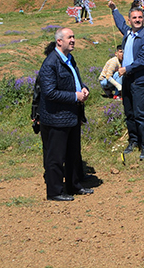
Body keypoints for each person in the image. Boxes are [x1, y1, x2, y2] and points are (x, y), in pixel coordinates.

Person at [38, 27, 91, 201]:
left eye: (74, 37)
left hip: (71, 115)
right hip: (55, 118)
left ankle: (74, 185)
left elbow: (75, 80)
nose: (73, 40)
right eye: (69, 37)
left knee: (73, 154)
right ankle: (54, 191)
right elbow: (49, 93)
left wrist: (83, 89)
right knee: (56, 157)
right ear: (59, 41)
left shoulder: (69, 59)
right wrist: (74, 96)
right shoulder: (50, 63)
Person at [110, 1, 144, 160]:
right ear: (130, 20)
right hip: (127, 80)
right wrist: (114, 9)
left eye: (140, 17)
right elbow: (120, 24)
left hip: (139, 81)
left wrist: (126, 68)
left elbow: (143, 60)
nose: (137, 20)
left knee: (140, 114)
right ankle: (133, 140)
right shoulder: (129, 33)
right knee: (129, 112)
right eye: (134, 18)